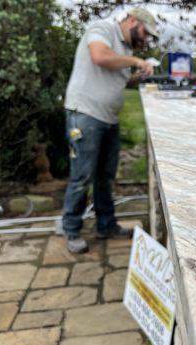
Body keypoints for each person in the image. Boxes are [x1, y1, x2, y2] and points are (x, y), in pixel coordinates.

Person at [62, 8, 157, 253]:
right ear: (133, 21)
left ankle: (106, 226)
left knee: (105, 177)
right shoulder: (102, 29)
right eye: (145, 33)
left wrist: (140, 76)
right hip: (85, 114)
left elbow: (120, 79)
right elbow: (99, 56)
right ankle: (71, 229)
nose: (145, 40)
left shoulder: (126, 50)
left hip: (108, 119)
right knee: (81, 176)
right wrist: (136, 61)